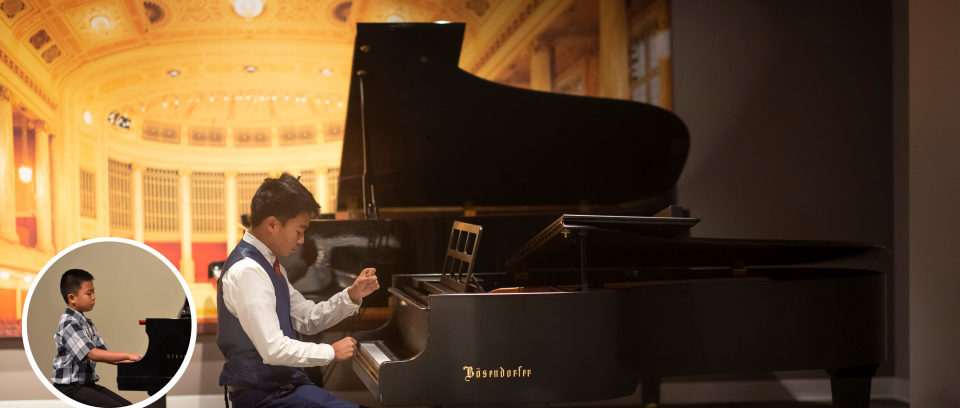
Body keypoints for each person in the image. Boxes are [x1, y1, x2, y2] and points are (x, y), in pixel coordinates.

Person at [217, 173, 379, 408]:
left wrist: (351, 296)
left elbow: (307, 318)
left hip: (284, 387)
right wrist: (330, 351)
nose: (302, 240)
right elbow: (273, 349)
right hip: (265, 397)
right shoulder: (248, 272)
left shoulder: (270, 264)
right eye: (299, 230)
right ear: (272, 224)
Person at [52, 269, 142, 407]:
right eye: (89, 293)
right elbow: (93, 354)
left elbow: (106, 354)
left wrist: (141, 362)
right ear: (72, 298)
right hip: (70, 388)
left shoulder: (87, 324)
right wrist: (130, 356)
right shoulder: (68, 323)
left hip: (87, 385)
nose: (94, 297)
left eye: (93, 292)